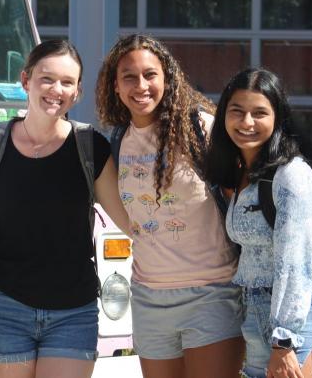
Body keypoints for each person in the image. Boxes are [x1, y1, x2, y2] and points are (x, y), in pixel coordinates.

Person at [0, 40, 131, 378]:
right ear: (25, 80)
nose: (56, 89)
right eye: (47, 79)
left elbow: (132, 223)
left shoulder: (90, 148)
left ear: (78, 92)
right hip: (3, 308)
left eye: (67, 82)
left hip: (74, 312)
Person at [95, 34, 244, 378]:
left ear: (167, 78)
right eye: (129, 77)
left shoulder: (201, 129)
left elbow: (243, 199)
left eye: (150, 75)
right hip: (148, 298)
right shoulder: (116, 143)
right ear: (115, 86)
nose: (141, 85)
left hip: (212, 293)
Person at [205, 68, 312, 378]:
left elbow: (295, 263)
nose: (247, 122)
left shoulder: (291, 174)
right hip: (256, 316)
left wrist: (284, 341)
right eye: (236, 111)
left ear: (278, 118)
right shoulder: (241, 176)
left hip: (296, 325)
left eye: (259, 113)